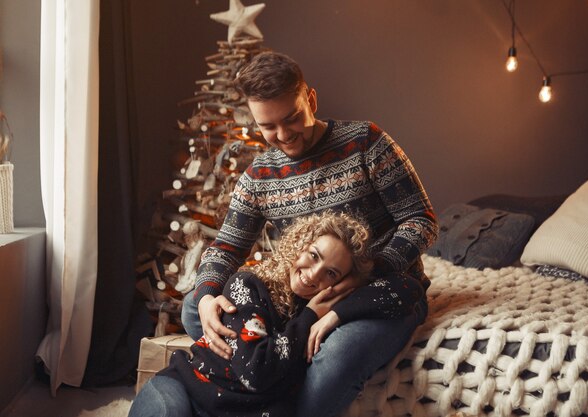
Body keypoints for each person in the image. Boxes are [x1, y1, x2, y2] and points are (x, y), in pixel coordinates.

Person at [182, 51, 439, 417]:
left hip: (382, 292)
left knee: (337, 356)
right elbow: (225, 248)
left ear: (311, 99)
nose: (284, 135)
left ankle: (275, 381)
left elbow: (421, 219)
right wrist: (208, 296)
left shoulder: (366, 142)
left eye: (292, 118)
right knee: (194, 308)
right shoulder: (259, 178)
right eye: (268, 127)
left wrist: (365, 275)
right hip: (303, 305)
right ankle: (265, 378)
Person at [129, 212, 388, 417]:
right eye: (313, 255)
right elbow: (256, 371)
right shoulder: (248, 285)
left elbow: (406, 292)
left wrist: (338, 307)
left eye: (331, 273)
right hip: (186, 390)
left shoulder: (325, 316)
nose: (314, 274)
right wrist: (309, 315)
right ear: (300, 245)